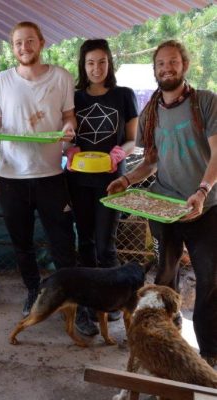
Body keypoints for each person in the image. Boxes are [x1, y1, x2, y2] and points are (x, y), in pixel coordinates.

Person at [107, 40, 217, 367]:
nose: (166, 69)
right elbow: (150, 162)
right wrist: (126, 180)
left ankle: (210, 351)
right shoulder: (151, 111)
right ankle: (167, 336)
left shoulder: (206, 102)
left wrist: (202, 190)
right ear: (155, 70)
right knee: (164, 274)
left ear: (184, 65)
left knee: (210, 280)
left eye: (172, 62)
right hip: (163, 209)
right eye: (160, 64)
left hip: (206, 208)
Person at [0, 21, 77, 316]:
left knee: (62, 241)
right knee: (22, 242)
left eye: (30, 41)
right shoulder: (2, 80)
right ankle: (34, 291)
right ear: (13, 47)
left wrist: (69, 129)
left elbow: (69, 117)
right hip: (11, 176)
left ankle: (70, 297)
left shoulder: (61, 77)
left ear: (42, 42)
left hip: (50, 174)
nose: (24, 47)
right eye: (18, 43)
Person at [66, 39, 138, 336]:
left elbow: (132, 140)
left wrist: (121, 152)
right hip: (79, 179)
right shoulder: (74, 97)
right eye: (91, 63)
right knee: (85, 242)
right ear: (83, 66)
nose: (97, 68)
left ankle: (113, 301)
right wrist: (69, 150)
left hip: (112, 180)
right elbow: (67, 135)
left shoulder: (124, 95)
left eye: (102, 62)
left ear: (110, 63)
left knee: (106, 244)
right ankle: (87, 303)